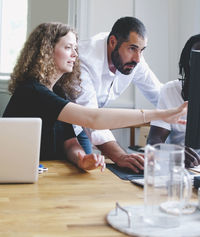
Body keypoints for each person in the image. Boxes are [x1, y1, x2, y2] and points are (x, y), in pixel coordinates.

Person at [3, 22, 187, 173]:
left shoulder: (58, 91)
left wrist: (81, 158)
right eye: (68, 48)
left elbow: (69, 142)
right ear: (46, 51)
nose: (76, 54)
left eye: (75, 48)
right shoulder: (33, 91)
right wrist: (158, 114)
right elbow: (94, 118)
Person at [75, 16, 162, 170]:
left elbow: (159, 94)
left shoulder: (135, 60)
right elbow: (91, 116)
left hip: (91, 120)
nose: (137, 59)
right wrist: (120, 156)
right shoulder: (84, 60)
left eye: (141, 50)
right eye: (132, 48)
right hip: (68, 124)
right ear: (113, 42)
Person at [147, 34, 200, 168]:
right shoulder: (170, 91)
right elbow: (153, 141)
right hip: (183, 169)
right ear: (186, 63)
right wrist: (173, 152)